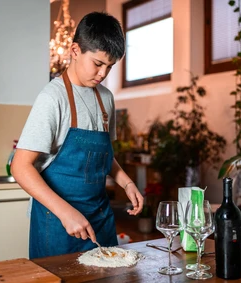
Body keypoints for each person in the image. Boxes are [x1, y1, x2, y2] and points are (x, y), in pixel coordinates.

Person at [11, 12, 143, 259]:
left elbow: (103, 156)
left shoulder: (106, 99)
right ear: (74, 51)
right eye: (98, 63)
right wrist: (66, 213)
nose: (103, 74)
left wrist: (126, 182)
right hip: (59, 222)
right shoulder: (53, 98)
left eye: (110, 66)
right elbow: (20, 167)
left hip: (100, 217)